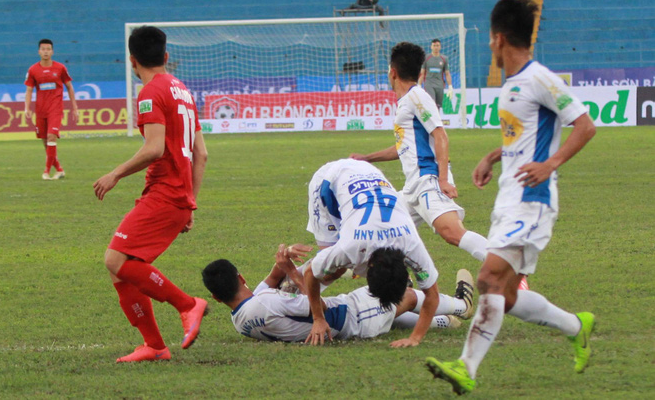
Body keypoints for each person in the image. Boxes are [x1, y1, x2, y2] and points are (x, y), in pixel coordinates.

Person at [425, 0, 597, 394]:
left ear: (499, 38)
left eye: (490, 40)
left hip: (532, 200)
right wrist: (493, 155)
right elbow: (524, 138)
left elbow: (585, 127)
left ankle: (466, 367)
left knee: (488, 278)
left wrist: (550, 164)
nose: (490, 47)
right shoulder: (513, 84)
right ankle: (576, 326)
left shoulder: (540, 79)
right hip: (509, 198)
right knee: (505, 294)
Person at [349, 42, 529, 288]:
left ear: (392, 72)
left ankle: (510, 266)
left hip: (428, 180)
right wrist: (367, 158)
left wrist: (443, 179)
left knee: (452, 233)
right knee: (384, 232)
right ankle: (402, 287)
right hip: (412, 187)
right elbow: (403, 148)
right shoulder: (406, 102)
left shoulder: (417, 96)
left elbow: (440, 135)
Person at [93, 26, 209, 363]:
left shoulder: (149, 93)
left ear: (132, 60)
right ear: (166, 56)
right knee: (122, 268)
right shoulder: (182, 90)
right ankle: (155, 346)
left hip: (165, 192)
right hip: (177, 194)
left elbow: (154, 148)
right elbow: (201, 154)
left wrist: (114, 173)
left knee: (115, 259)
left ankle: (188, 305)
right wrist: (191, 202)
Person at [303, 158, 474, 348]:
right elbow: (311, 272)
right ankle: (295, 292)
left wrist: (415, 338)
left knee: (334, 269)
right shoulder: (349, 246)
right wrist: (318, 317)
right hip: (329, 183)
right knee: (333, 271)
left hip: (369, 174)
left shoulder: (412, 246)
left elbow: (432, 295)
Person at [201, 243, 473, 342]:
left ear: (216, 297)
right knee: (406, 295)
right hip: (352, 318)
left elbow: (272, 280)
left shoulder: (241, 319)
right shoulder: (267, 301)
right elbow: (316, 305)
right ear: (241, 277)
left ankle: (441, 322)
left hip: (355, 314)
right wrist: (297, 274)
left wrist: (283, 261)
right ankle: (461, 305)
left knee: (389, 313)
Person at [24, 39, 79, 180]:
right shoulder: (33, 70)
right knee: (45, 142)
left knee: (51, 137)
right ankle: (59, 169)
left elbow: (70, 87)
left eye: (48, 49)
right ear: (39, 51)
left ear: (52, 51)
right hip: (40, 110)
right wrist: (27, 108)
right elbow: (29, 90)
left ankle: (46, 171)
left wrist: (75, 108)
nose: (46, 52)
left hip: (55, 109)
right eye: (43, 49)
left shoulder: (60, 68)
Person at [417, 38, 453, 110]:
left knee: (437, 106)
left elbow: (447, 73)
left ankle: (437, 120)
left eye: (437, 45)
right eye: (434, 45)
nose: (436, 47)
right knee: (431, 103)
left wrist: (450, 86)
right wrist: (419, 85)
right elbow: (422, 72)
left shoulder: (444, 59)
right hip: (429, 84)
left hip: (439, 84)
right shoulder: (426, 58)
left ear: (440, 47)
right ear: (431, 47)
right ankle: (430, 120)